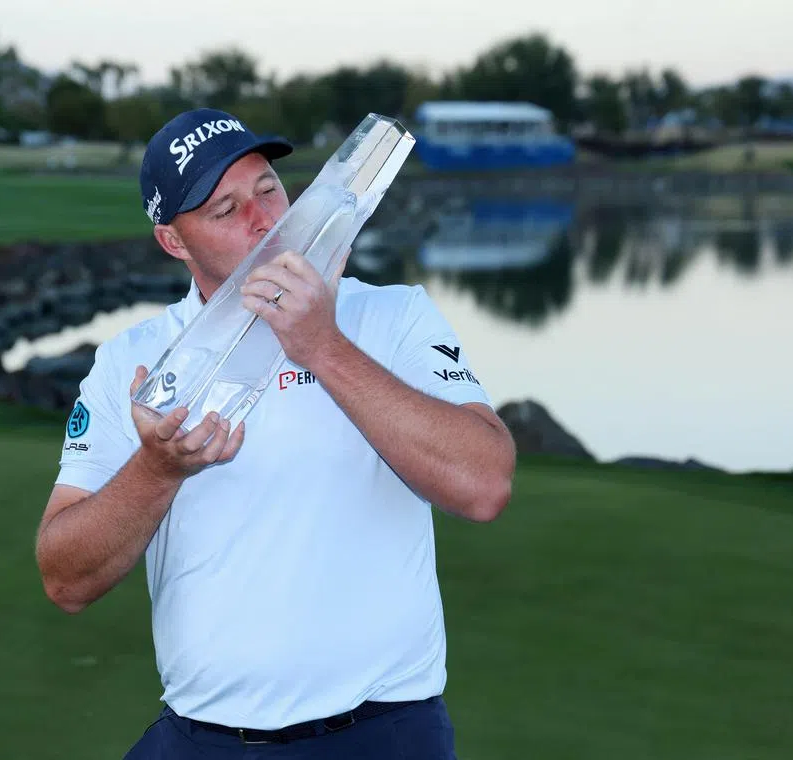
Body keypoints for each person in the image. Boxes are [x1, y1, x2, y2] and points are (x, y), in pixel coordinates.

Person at [34, 107, 517, 759]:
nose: (265, 221)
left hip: (381, 734)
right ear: (175, 241)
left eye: (268, 189)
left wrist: (322, 345)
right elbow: (65, 579)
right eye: (225, 209)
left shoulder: (392, 315)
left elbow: (484, 483)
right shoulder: (137, 364)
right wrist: (157, 469)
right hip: (202, 739)